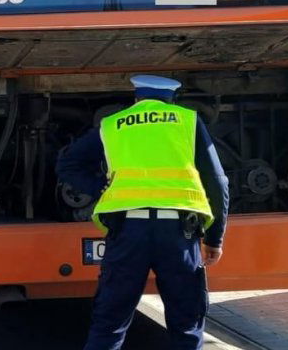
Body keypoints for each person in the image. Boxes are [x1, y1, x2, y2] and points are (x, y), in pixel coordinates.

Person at [56, 75, 229, 350]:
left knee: (109, 324)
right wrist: (214, 238)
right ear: (171, 100)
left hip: (128, 233)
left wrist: (104, 189)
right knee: (186, 324)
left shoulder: (112, 125)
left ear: (137, 99)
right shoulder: (187, 120)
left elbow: (68, 164)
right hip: (178, 235)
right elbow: (218, 182)